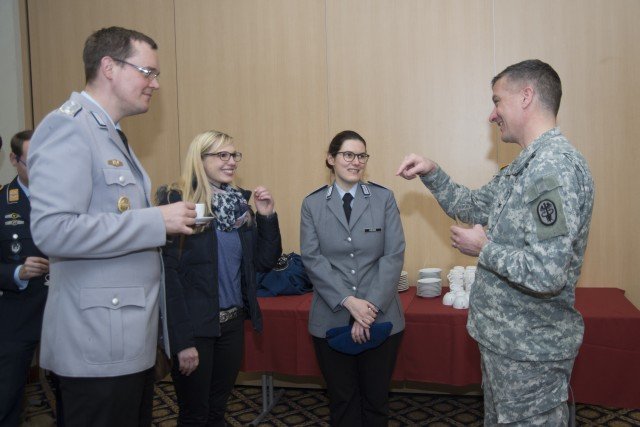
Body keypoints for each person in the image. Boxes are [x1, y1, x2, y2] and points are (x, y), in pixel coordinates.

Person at [396, 59, 594, 425]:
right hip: (508, 346)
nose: (492, 114)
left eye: (497, 101)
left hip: (531, 354)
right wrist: (432, 172)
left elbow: (547, 273)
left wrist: (484, 248)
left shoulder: (552, 169)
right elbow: (470, 206)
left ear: (526, 96)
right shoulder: (524, 168)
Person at [28, 27, 196, 426]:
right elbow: (54, 230)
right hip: (95, 347)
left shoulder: (108, 132)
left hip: (123, 341)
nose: (154, 84)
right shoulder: (68, 127)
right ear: (108, 66)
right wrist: (155, 221)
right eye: (147, 72)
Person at [156, 130, 282, 426]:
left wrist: (266, 217)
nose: (231, 162)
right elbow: (168, 277)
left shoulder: (239, 205)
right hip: (195, 328)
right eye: (222, 155)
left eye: (234, 155)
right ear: (200, 160)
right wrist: (181, 341)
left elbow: (263, 262)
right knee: (194, 415)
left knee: (217, 411)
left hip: (231, 326)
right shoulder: (177, 201)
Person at [300, 130, 405, 426]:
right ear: (331, 159)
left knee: (376, 401)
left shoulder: (383, 198)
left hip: (381, 314)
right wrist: (349, 302)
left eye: (361, 155)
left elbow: (393, 255)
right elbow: (313, 259)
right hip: (331, 316)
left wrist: (367, 308)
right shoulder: (313, 204)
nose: (356, 162)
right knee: (343, 402)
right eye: (348, 155)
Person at [0, 130, 49, 426]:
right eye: (33, 163)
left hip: (63, 309)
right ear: (13, 159)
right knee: (7, 397)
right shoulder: (3, 203)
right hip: (18, 311)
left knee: (74, 394)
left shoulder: (68, 199)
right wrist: (16, 272)